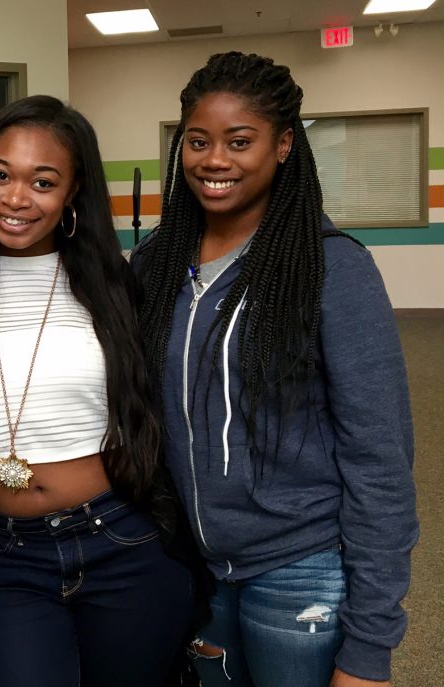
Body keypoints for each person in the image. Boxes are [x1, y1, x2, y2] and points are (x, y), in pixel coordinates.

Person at [132, 52, 418, 687]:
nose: (214, 161)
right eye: (198, 141)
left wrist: (370, 644)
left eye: (240, 141)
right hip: (193, 565)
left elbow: (380, 457)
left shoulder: (332, 268)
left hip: (300, 566)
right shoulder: (154, 264)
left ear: (285, 145)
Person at [0, 95, 195, 687]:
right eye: (0, 175)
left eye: (42, 182)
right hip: (8, 553)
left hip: (118, 537)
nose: (15, 199)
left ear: (73, 192)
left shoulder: (112, 284)